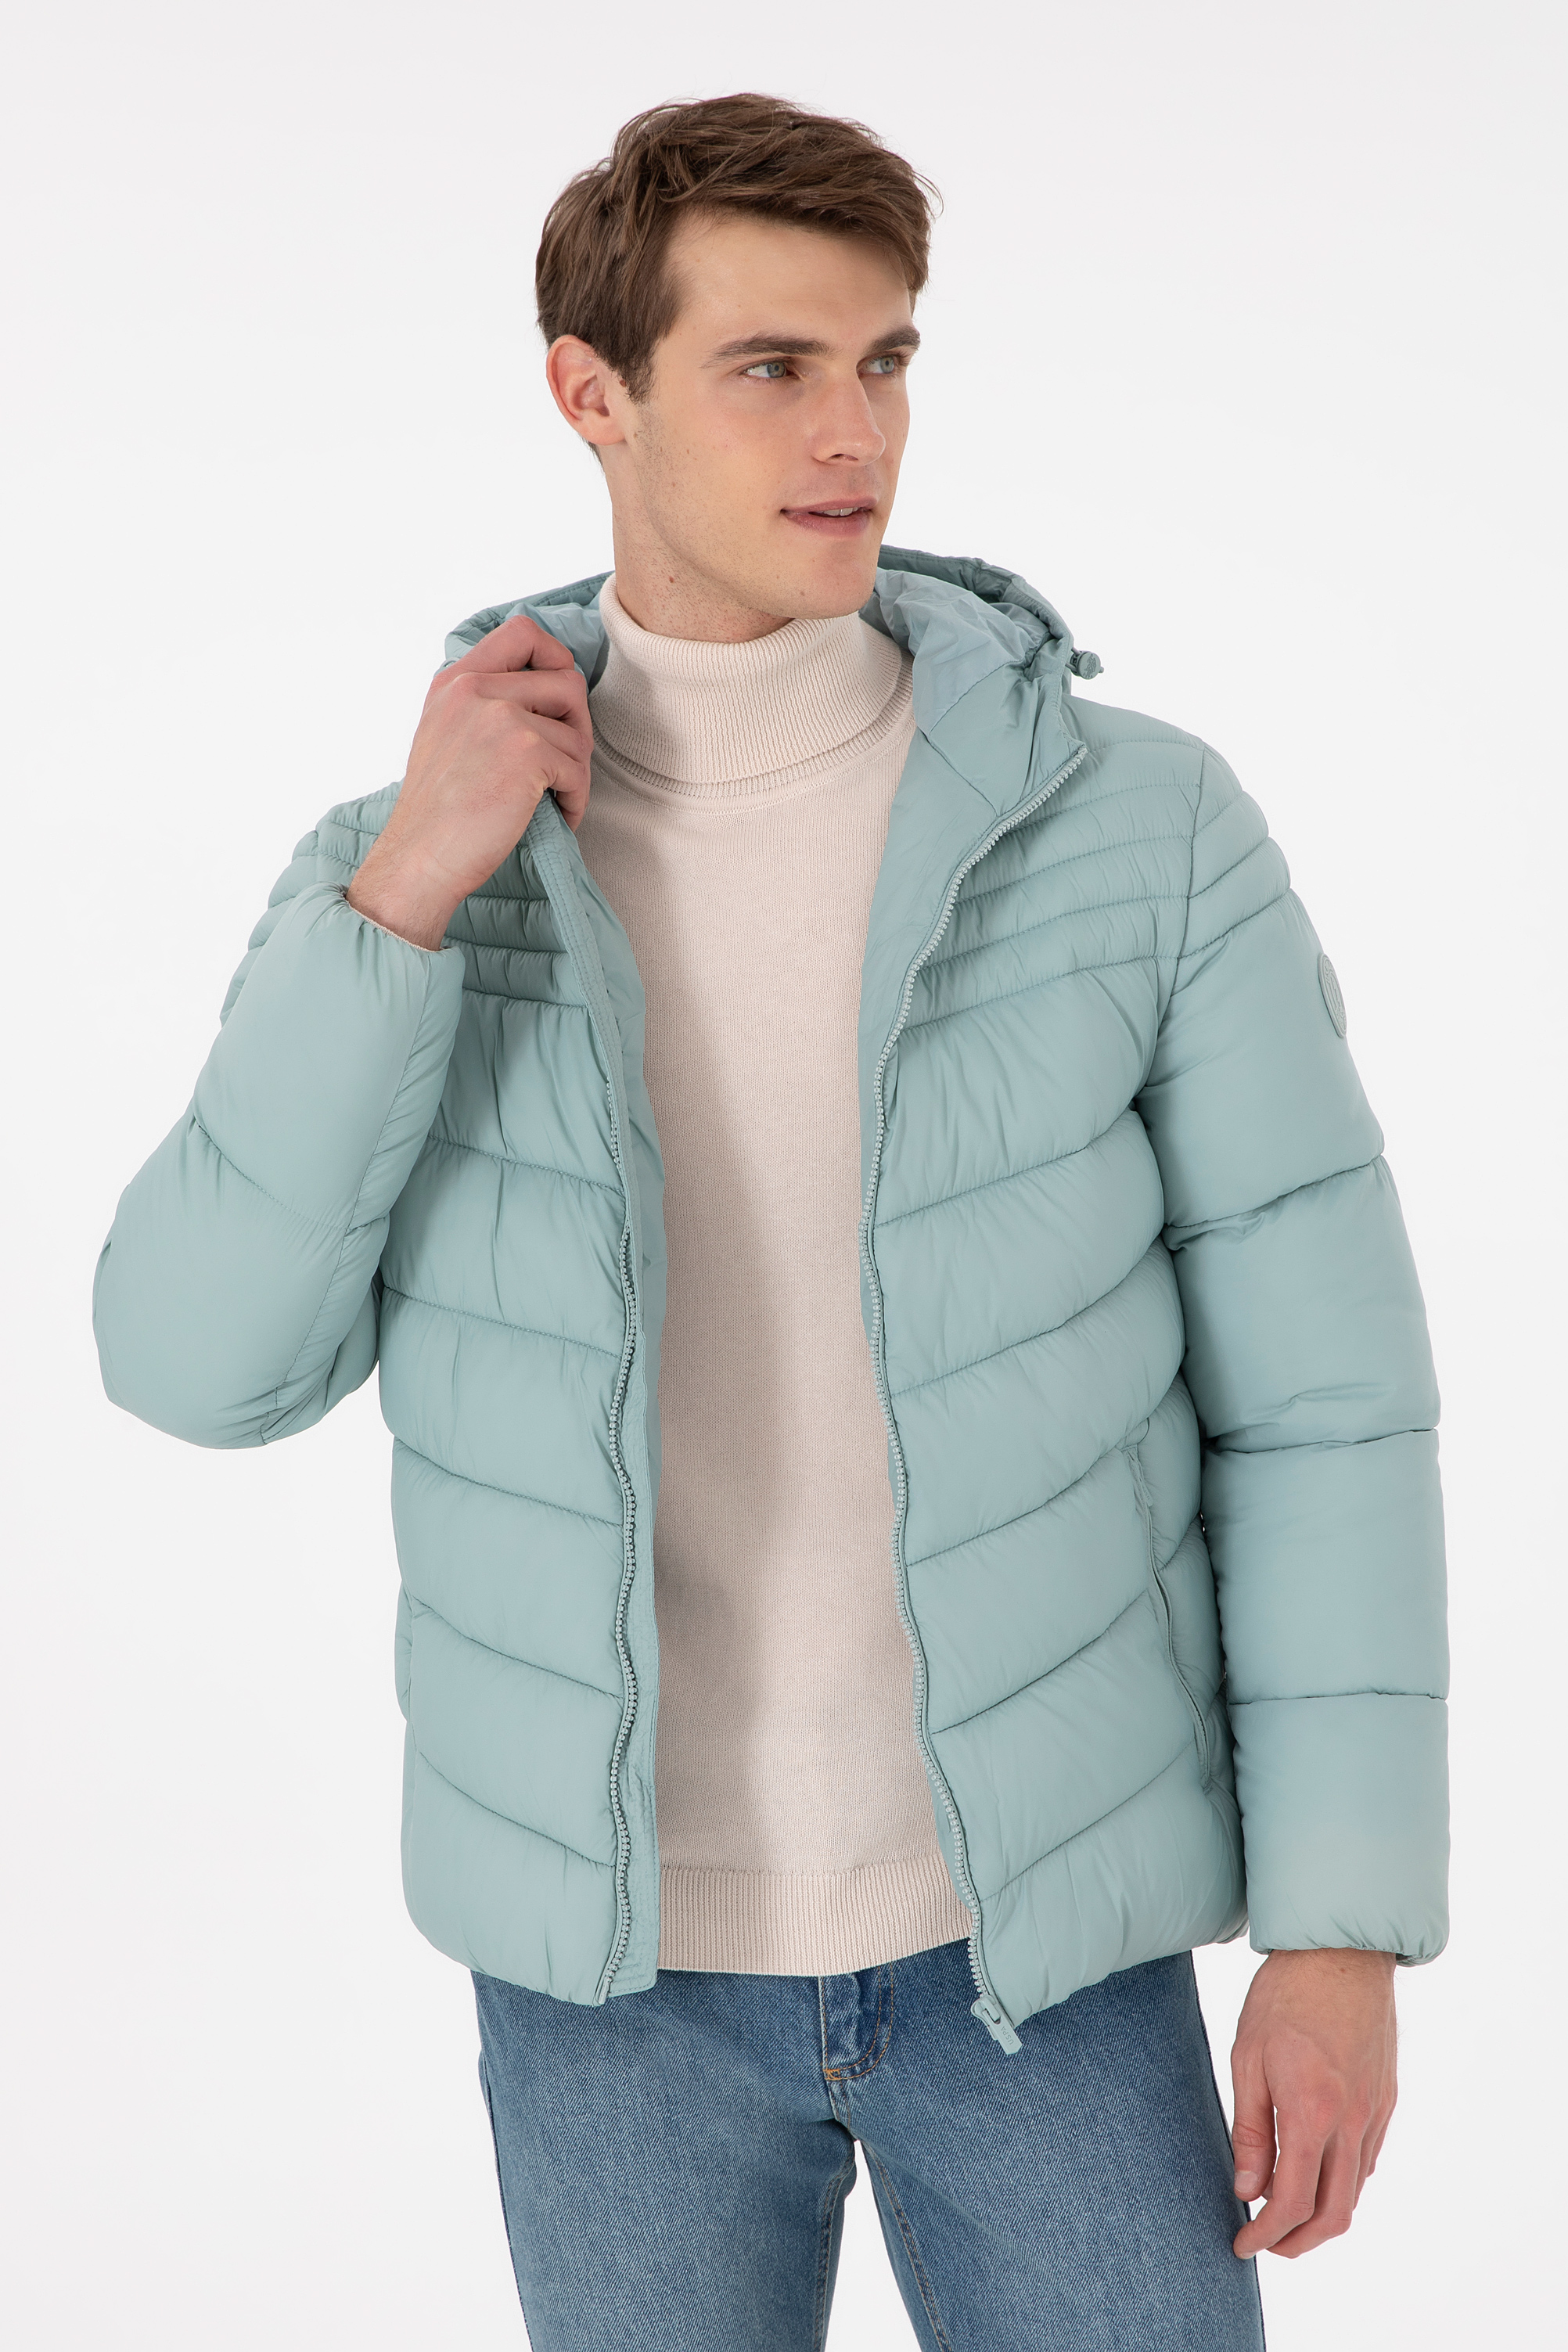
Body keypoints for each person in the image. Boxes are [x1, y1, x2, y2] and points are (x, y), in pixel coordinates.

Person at [92, 92, 1448, 2352]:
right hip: (607, 1990)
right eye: (771, 367)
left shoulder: (1140, 832)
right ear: (590, 393)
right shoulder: (411, 869)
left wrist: (1335, 1936)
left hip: (1053, 1953)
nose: (852, 435)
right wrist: (404, 896)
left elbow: (1321, 1412)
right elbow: (194, 1368)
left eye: (885, 361)